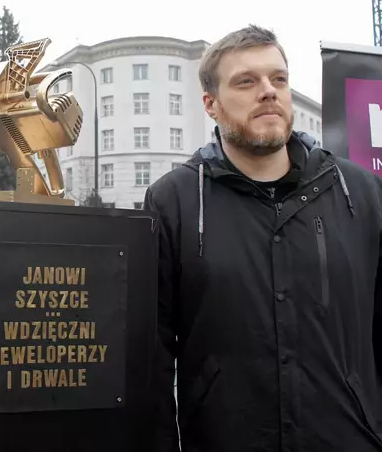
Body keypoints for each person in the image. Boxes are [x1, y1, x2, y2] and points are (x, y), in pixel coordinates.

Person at [145, 25, 382, 451]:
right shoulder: (174, 201)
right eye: (246, 81)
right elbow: (152, 358)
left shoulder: (361, 192)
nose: (268, 91)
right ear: (211, 105)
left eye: (279, 79)